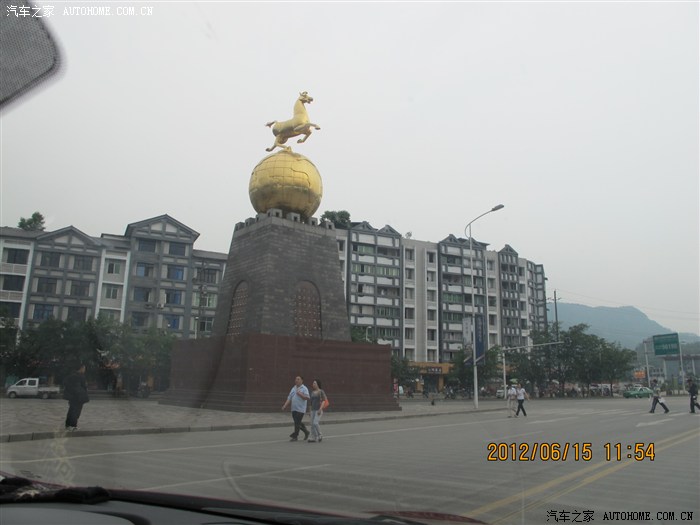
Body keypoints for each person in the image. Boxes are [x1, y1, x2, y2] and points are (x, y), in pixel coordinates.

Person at [282, 375, 309, 441]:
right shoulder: (293, 388)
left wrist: (300, 394)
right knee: (297, 422)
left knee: (297, 423)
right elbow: (289, 398)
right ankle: (306, 432)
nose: (296, 380)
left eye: (298, 379)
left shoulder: (304, 388)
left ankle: (295, 436)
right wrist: (285, 405)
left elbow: (307, 397)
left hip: (300, 409)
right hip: (294, 409)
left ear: (302, 381)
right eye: (296, 379)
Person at [63, 364, 89, 430]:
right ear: (81, 368)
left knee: (71, 410)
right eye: (84, 368)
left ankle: (68, 425)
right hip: (78, 397)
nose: (84, 370)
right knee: (75, 412)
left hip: (72, 397)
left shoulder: (71, 375)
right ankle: (73, 425)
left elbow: (65, 383)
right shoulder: (80, 376)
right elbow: (82, 387)